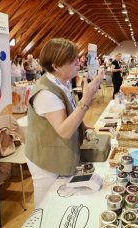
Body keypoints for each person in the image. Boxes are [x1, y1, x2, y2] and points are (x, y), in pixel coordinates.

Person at [25, 38, 104, 208]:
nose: (78, 62)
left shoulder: (62, 83)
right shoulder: (45, 92)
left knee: (57, 202)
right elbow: (64, 130)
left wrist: (83, 128)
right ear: (56, 66)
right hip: (46, 160)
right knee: (47, 206)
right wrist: (87, 98)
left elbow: (69, 115)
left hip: (56, 153)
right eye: (73, 60)